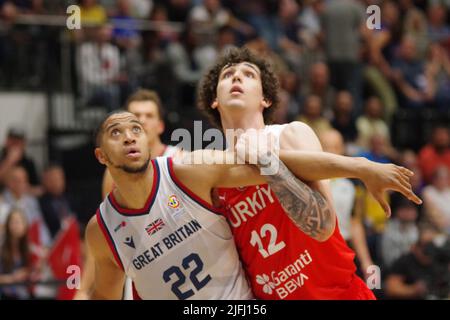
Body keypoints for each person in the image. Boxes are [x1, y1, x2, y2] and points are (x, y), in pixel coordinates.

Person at [86, 110, 418, 299]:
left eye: (136, 129)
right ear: (101, 156)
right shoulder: (101, 230)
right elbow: (104, 294)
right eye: (117, 132)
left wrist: (359, 166)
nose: (129, 136)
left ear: (149, 140)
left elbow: (277, 163)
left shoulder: (187, 171)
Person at [197, 47, 421, 299]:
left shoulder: (291, 134)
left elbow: (323, 226)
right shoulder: (213, 173)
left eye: (248, 74)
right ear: (214, 99)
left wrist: (266, 162)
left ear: (265, 99)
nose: (236, 77)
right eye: (227, 75)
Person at [102, 89, 182, 197]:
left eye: (149, 116)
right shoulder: (114, 169)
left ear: (160, 126)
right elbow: (109, 213)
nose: (142, 121)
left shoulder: (179, 159)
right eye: (136, 115)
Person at [319, 129, 374, 280]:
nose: (331, 151)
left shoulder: (352, 185)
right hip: (317, 251)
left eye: (335, 147)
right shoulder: (308, 181)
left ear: (343, 149)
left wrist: (366, 261)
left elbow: (355, 222)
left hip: (344, 248)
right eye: (325, 146)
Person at [0, 208, 31, 300]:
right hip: (5, 294)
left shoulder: (28, 248)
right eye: (13, 222)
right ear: (8, 225)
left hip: (24, 293)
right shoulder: (1, 248)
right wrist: (13, 278)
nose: (16, 226)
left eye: (19, 222)